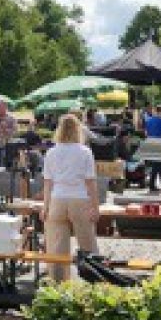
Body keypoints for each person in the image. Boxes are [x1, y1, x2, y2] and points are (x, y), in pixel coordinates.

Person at [42, 114, 99, 283]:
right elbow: (90, 183)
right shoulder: (85, 152)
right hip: (79, 198)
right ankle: (94, 283)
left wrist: (45, 207)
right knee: (88, 245)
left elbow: (47, 182)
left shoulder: (51, 152)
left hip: (57, 199)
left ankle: (59, 285)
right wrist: (95, 206)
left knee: (57, 248)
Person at [143, 105, 161, 191]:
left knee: (156, 165)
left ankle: (156, 184)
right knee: (159, 164)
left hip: (151, 144)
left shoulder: (149, 121)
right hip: (160, 144)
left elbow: (146, 133)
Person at [0, 100, 17, 166]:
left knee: (3, 165)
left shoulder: (11, 118)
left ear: (5, 107)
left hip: (5, 145)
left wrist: (5, 129)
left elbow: (15, 131)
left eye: (0, 107)